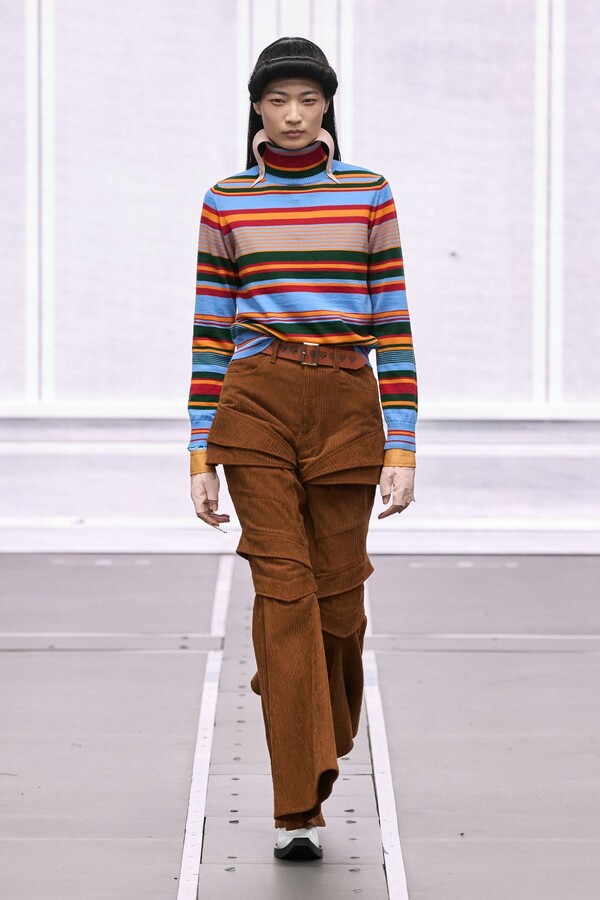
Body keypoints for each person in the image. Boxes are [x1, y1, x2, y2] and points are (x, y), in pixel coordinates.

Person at [187, 36, 418, 861]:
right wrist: (199, 452)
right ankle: (297, 809)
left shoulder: (368, 193)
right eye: (278, 99)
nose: (293, 115)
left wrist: (403, 447)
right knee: (283, 593)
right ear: (256, 106)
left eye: (308, 100)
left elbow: (394, 323)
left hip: (349, 403)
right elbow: (211, 332)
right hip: (255, 400)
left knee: (339, 605)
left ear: (327, 107)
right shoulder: (226, 200)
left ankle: (303, 703)